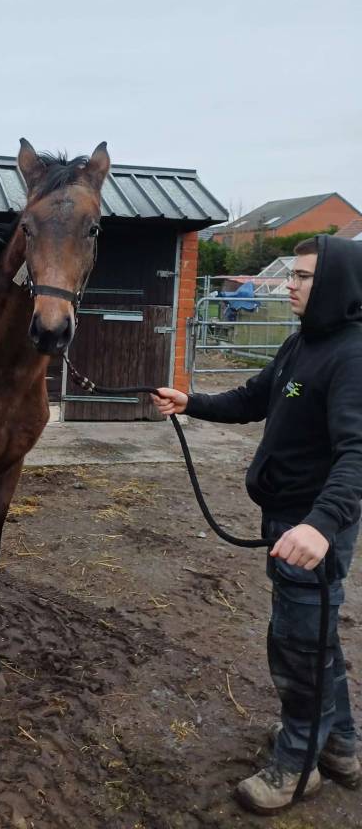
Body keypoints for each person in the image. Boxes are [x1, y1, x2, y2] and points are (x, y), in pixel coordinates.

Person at [152, 234, 362, 814]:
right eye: (291, 274)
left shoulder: (352, 356)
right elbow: (255, 396)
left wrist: (320, 526)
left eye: (302, 276)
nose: (288, 285)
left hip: (310, 533)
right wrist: (191, 402)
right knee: (315, 641)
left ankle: (297, 768)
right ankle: (341, 748)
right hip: (288, 523)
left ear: (337, 285)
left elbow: (357, 453)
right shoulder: (303, 343)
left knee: (297, 650)